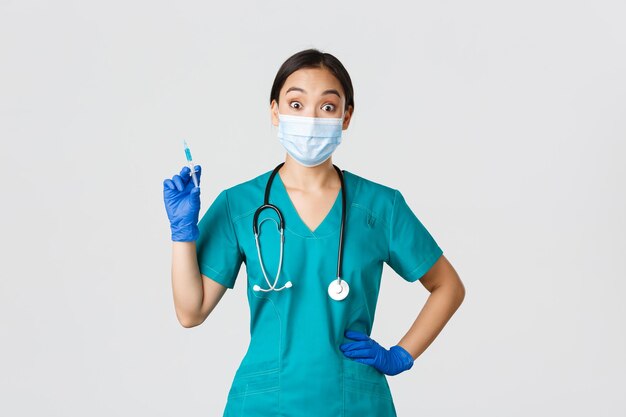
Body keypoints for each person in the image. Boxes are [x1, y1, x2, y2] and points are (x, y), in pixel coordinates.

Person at [163, 48, 465, 417]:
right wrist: (182, 233)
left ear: (346, 116)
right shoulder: (239, 205)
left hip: (353, 403)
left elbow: (448, 286)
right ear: (274, 111)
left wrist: (401, 354)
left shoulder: (380, 206)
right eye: (295, 103)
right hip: (263, 403)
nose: (310, 118)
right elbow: (190, 312)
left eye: (327, 107)